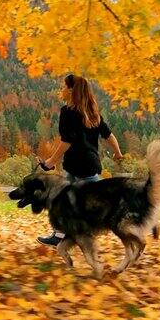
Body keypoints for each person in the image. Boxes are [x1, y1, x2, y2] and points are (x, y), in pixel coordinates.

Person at [37, 74, 124, 246]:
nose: (61, 90)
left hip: (76, 166)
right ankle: (61, 236)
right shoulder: (92, 113)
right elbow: (109, 135)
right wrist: (118, 153)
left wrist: (51, 161)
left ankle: (81, 233)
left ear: (71, 90)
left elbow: (66, 141)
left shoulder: (67, 112)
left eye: (64, 86)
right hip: (88, 165)